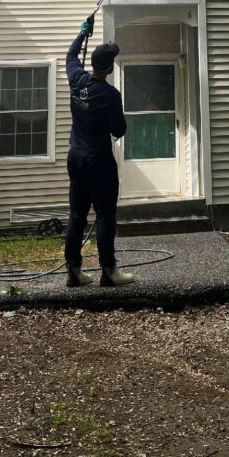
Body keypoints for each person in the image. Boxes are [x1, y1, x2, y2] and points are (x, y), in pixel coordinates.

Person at [64, 18, 135, 288]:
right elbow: (119, 129)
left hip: (76, 157)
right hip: (99, 161)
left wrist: (82, 33)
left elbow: (70, 55)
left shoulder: (76, 78)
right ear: (108, 67)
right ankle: (109, 270)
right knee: (105, 215)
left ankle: (73, 270)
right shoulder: (110, 95)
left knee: (76, 215)